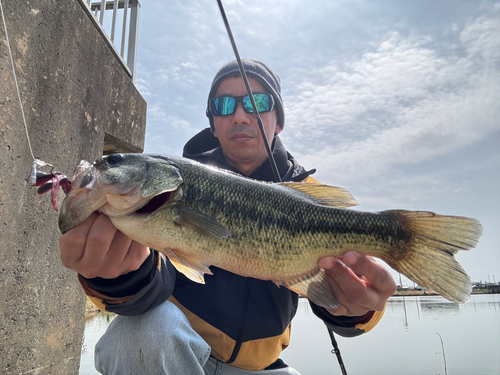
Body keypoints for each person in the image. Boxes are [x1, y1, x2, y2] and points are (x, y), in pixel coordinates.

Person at [59, 59, 396, 374]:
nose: (239, 116)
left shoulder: (310, 197)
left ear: (278, 121)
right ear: (214, 125)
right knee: (141, 334)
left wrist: (361, 308)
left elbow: (348, 287)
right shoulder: (154, 198)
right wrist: (113, 278)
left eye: (257, 103)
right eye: (224, 106)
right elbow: (152, 278)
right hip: (177, 355)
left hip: (263, 367)